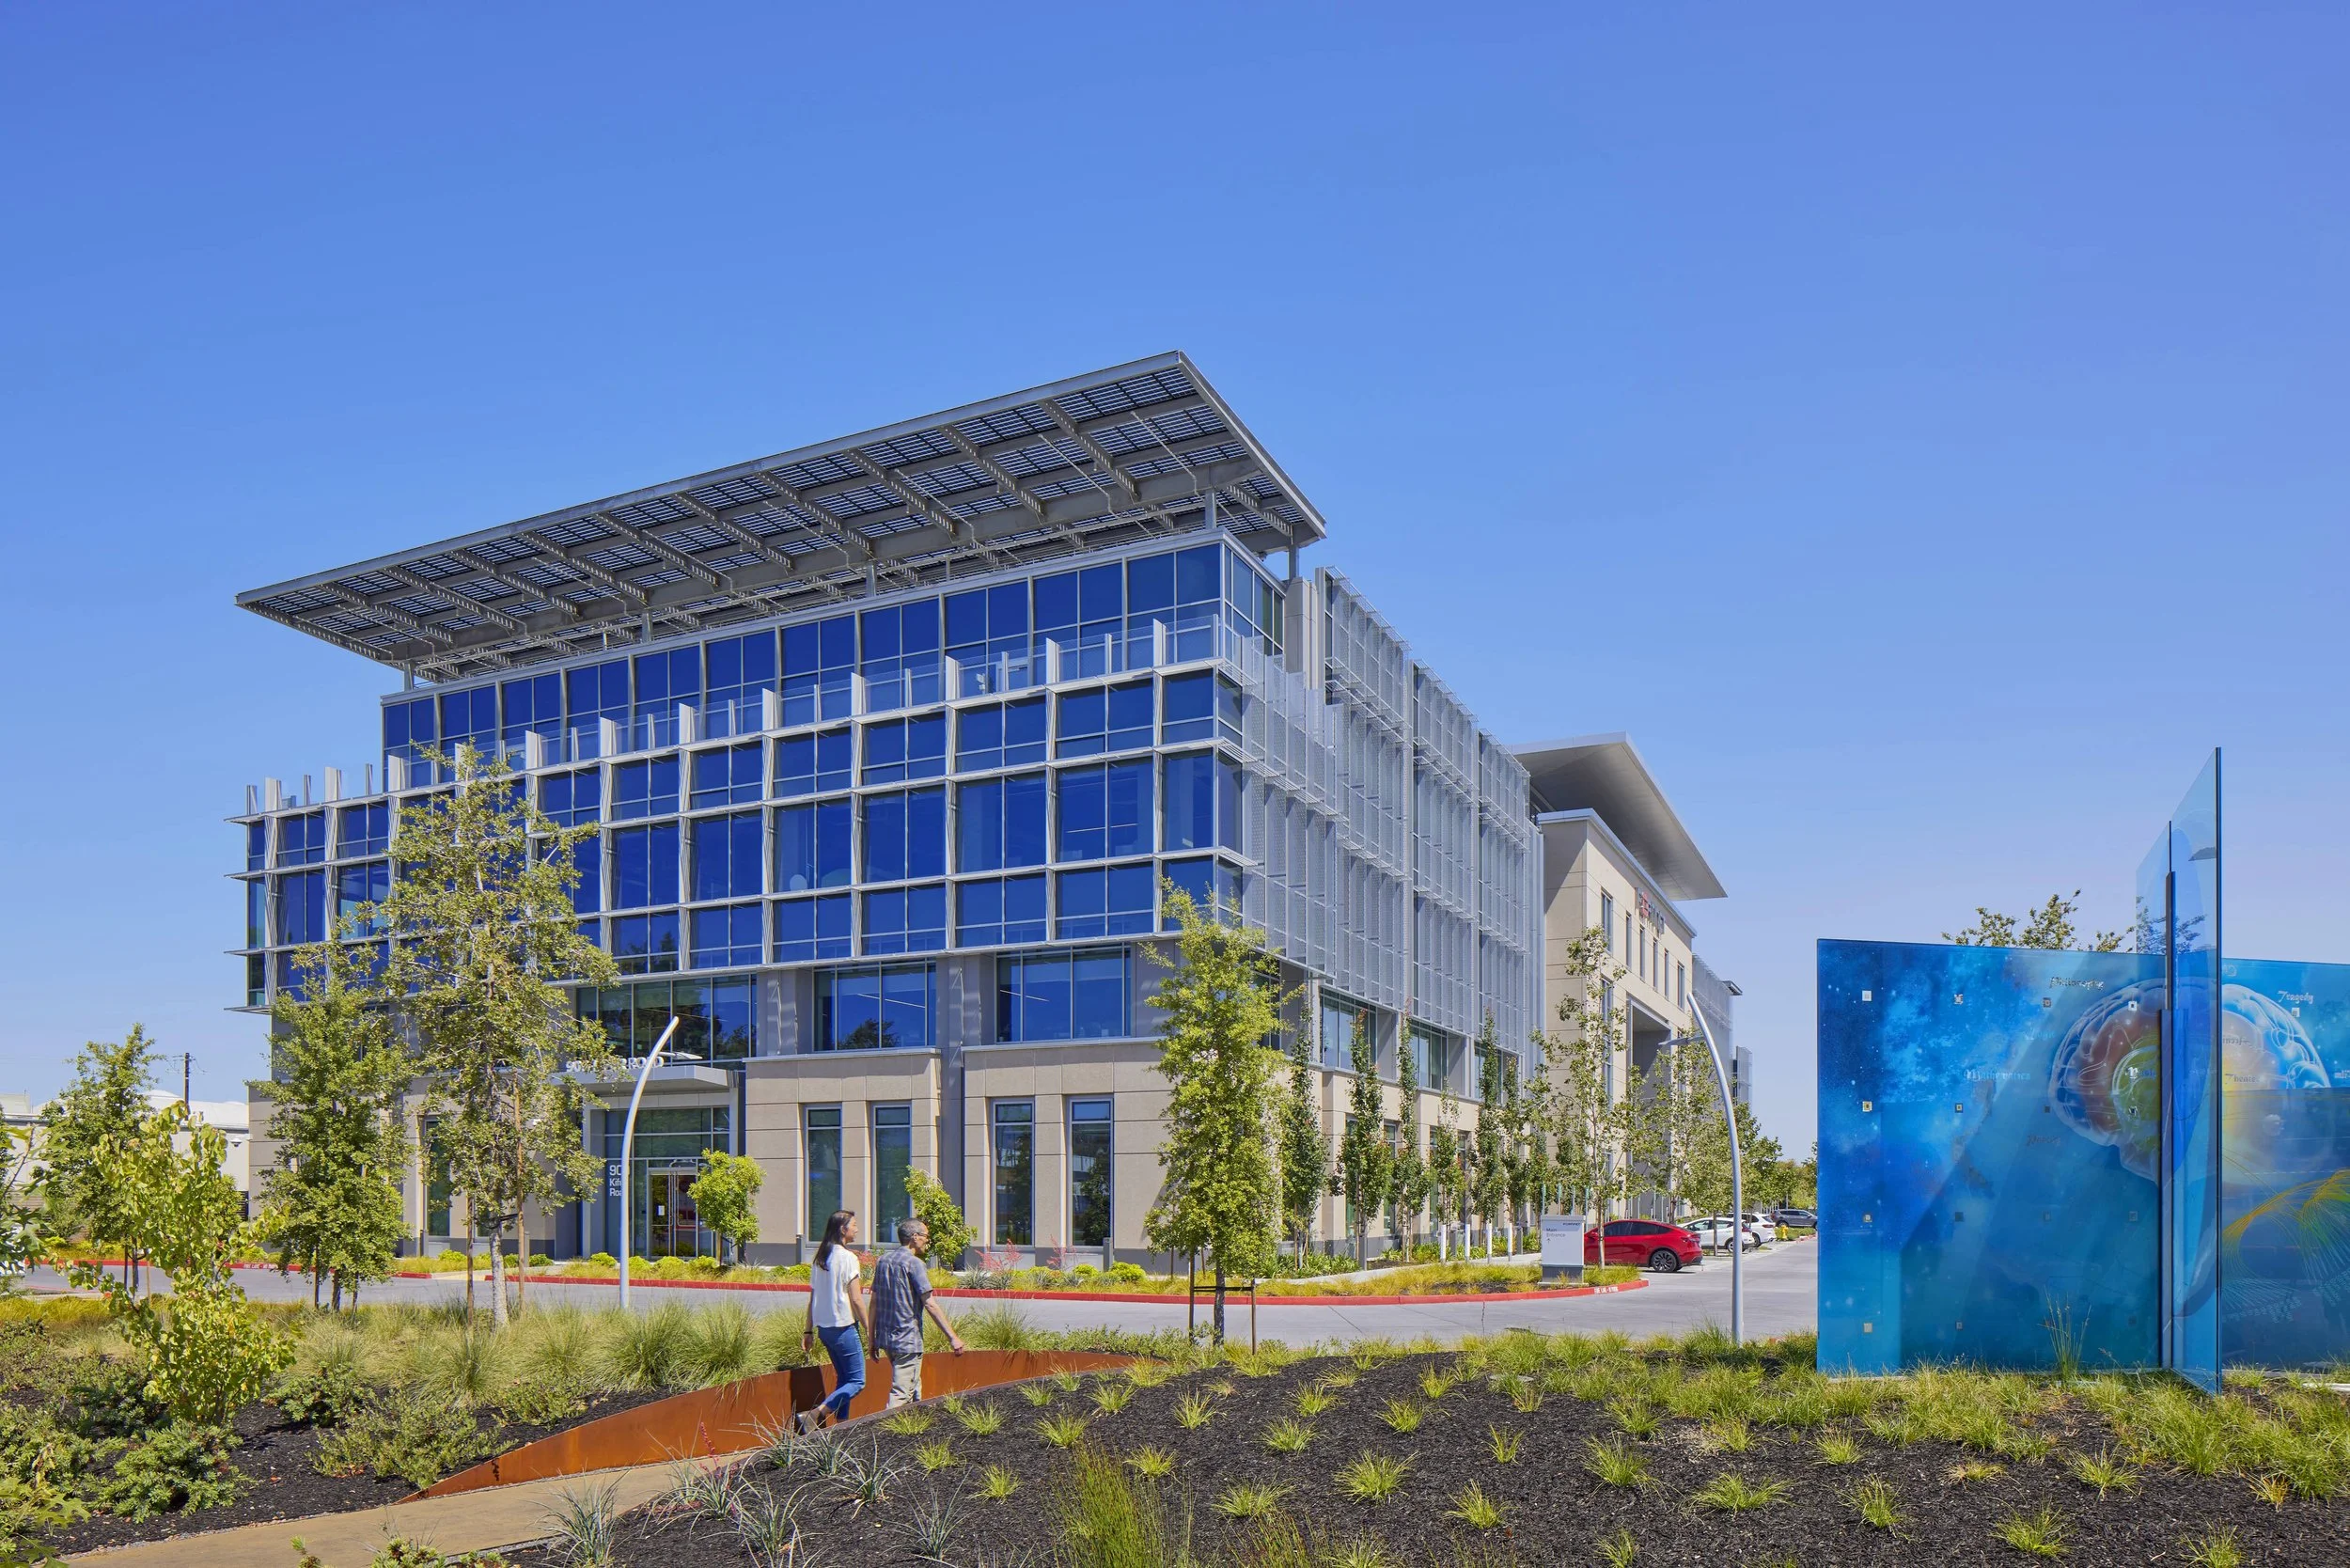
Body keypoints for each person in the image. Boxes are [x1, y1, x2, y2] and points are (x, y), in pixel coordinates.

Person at [868, 1216, 966, 1408]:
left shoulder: (883, 1261)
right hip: (907, 1340)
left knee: (913, 1388)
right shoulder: (914, 1264)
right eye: (925, 1236)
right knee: (901, 1394)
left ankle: (915, 1423)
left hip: (887, 1340)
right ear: (915, 1237)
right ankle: (886, 1426)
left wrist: (872, 1339)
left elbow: (874, 1303)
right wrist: (953, 1337)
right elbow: (930, 1304)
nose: (927, 1240)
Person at [798, 1209, 869, 1432]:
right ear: (842, 1229)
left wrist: (808, 1331)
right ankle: (816, 1414)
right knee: (857, 1381)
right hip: (844, 1327)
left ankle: (841, 1426)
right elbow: (856, 1299)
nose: (857, 1229)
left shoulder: (820, 1259)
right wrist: (869, 1328)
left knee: (844, 1378)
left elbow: (813, 1298)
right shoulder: (848, 1258)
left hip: (825, 1329)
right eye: (854, 1225)